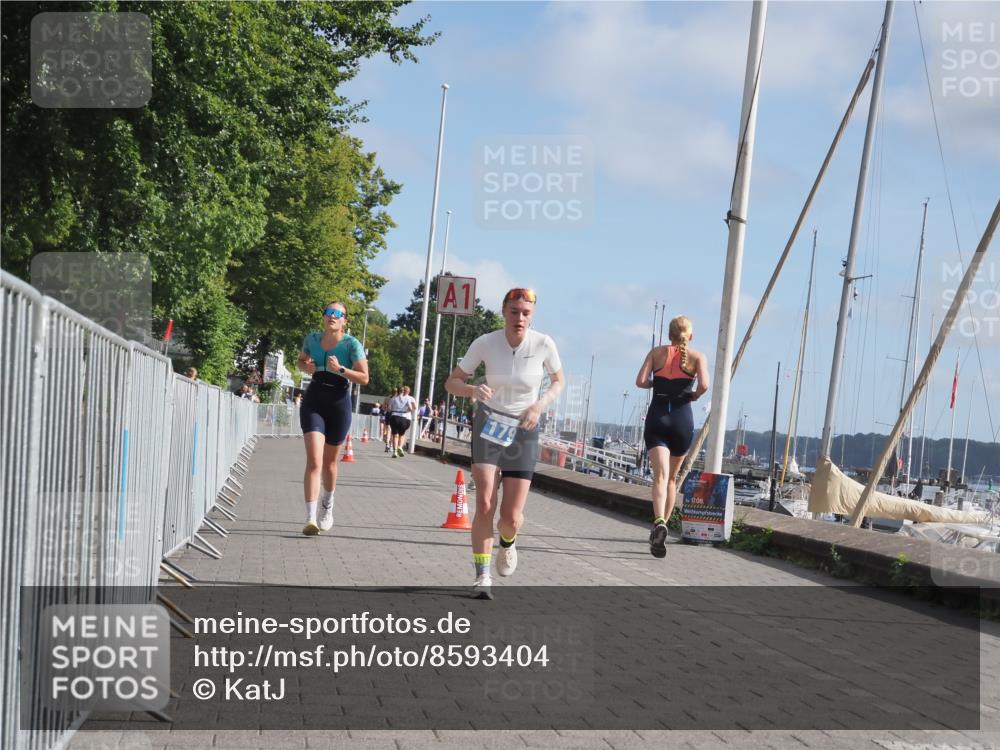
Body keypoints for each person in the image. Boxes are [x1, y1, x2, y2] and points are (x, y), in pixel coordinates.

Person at [445, 288, 564, 599]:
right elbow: (451, 382)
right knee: (484, 501)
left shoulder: (543, 344)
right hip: (489, 423)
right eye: (514, 312)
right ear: (504, 312)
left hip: (524, 427)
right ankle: (482, 576)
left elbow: (559, 381)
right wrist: (472, 390)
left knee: (510, 517)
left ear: (532, 315)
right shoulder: (485, 343)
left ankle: (508, 543)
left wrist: (540, 405)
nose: (519, 318)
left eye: (525, 313)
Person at [635, 315, 710, 558]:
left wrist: (655, 386)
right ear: (691, 336)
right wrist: (694, 395)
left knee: (659, 476)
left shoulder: (656, 353)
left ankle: (658, 521)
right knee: (672, 480)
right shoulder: (698, 357)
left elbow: (640, 381)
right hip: (682, 420)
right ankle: (662, 524)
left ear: (669, 335)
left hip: (657, 418)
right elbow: (705, 386)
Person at [296, 302, 369, 536]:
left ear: (344, 320)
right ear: (324, 317)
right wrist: (305, 366)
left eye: (338, 314)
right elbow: (301, 360)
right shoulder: (312, 339)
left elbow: (364, 378)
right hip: (315, 398)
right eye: (329, 312)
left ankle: (327, 505)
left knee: (329, 463)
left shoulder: (351, 344)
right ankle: (310, 518)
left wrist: (341, 369)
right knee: (314, 460)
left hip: (339, 401)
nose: (332, 317)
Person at [387, 385, 417, 457]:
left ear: (397, 391)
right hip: (403, 417)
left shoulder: (393, 398)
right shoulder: (407, 399)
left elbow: (389, 408)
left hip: (394, 416)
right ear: (404, 391)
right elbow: (410, 408)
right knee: (402, 434)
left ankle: (394, 452)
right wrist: (405, 411)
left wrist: (394, 409)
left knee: (395, 435)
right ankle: (400, 447)